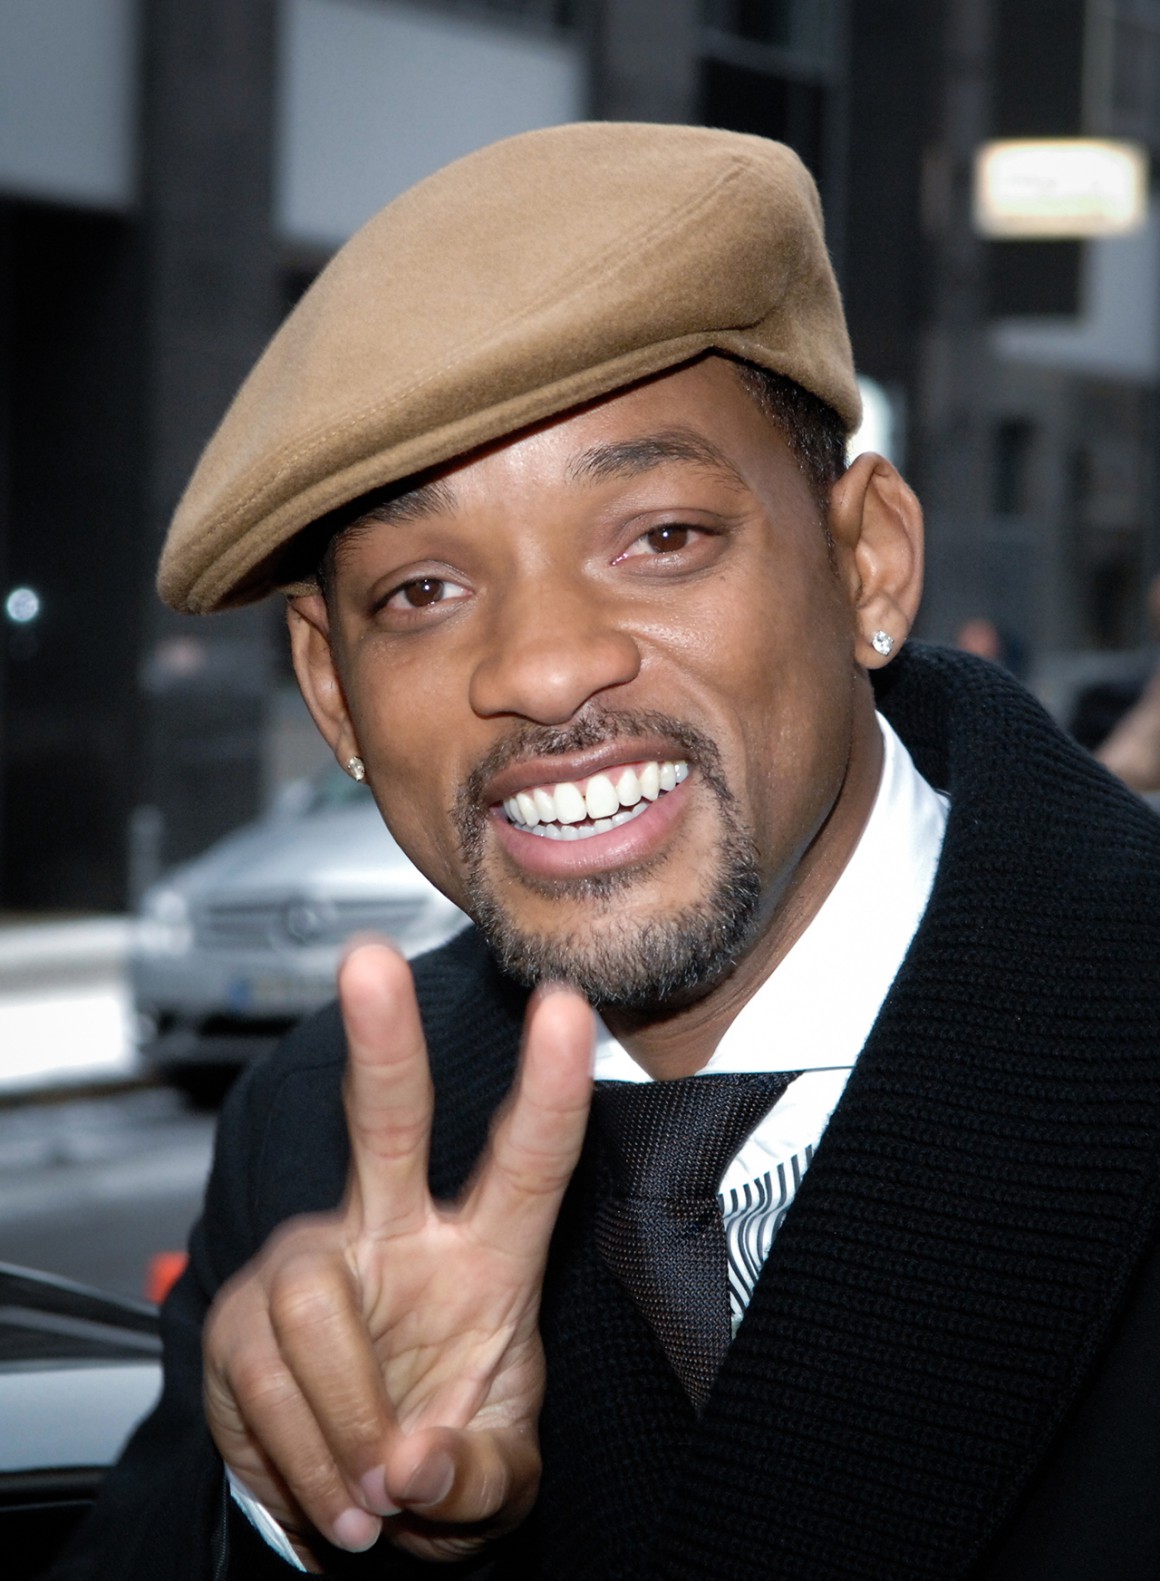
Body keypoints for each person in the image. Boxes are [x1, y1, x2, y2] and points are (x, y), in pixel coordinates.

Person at [53, 124, 1160, 1581]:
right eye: (423, 590)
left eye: (662, 537)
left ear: (867, 565)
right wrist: (321, 1504)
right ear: (330, 690)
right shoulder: (309, 1143)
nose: (542, 666)